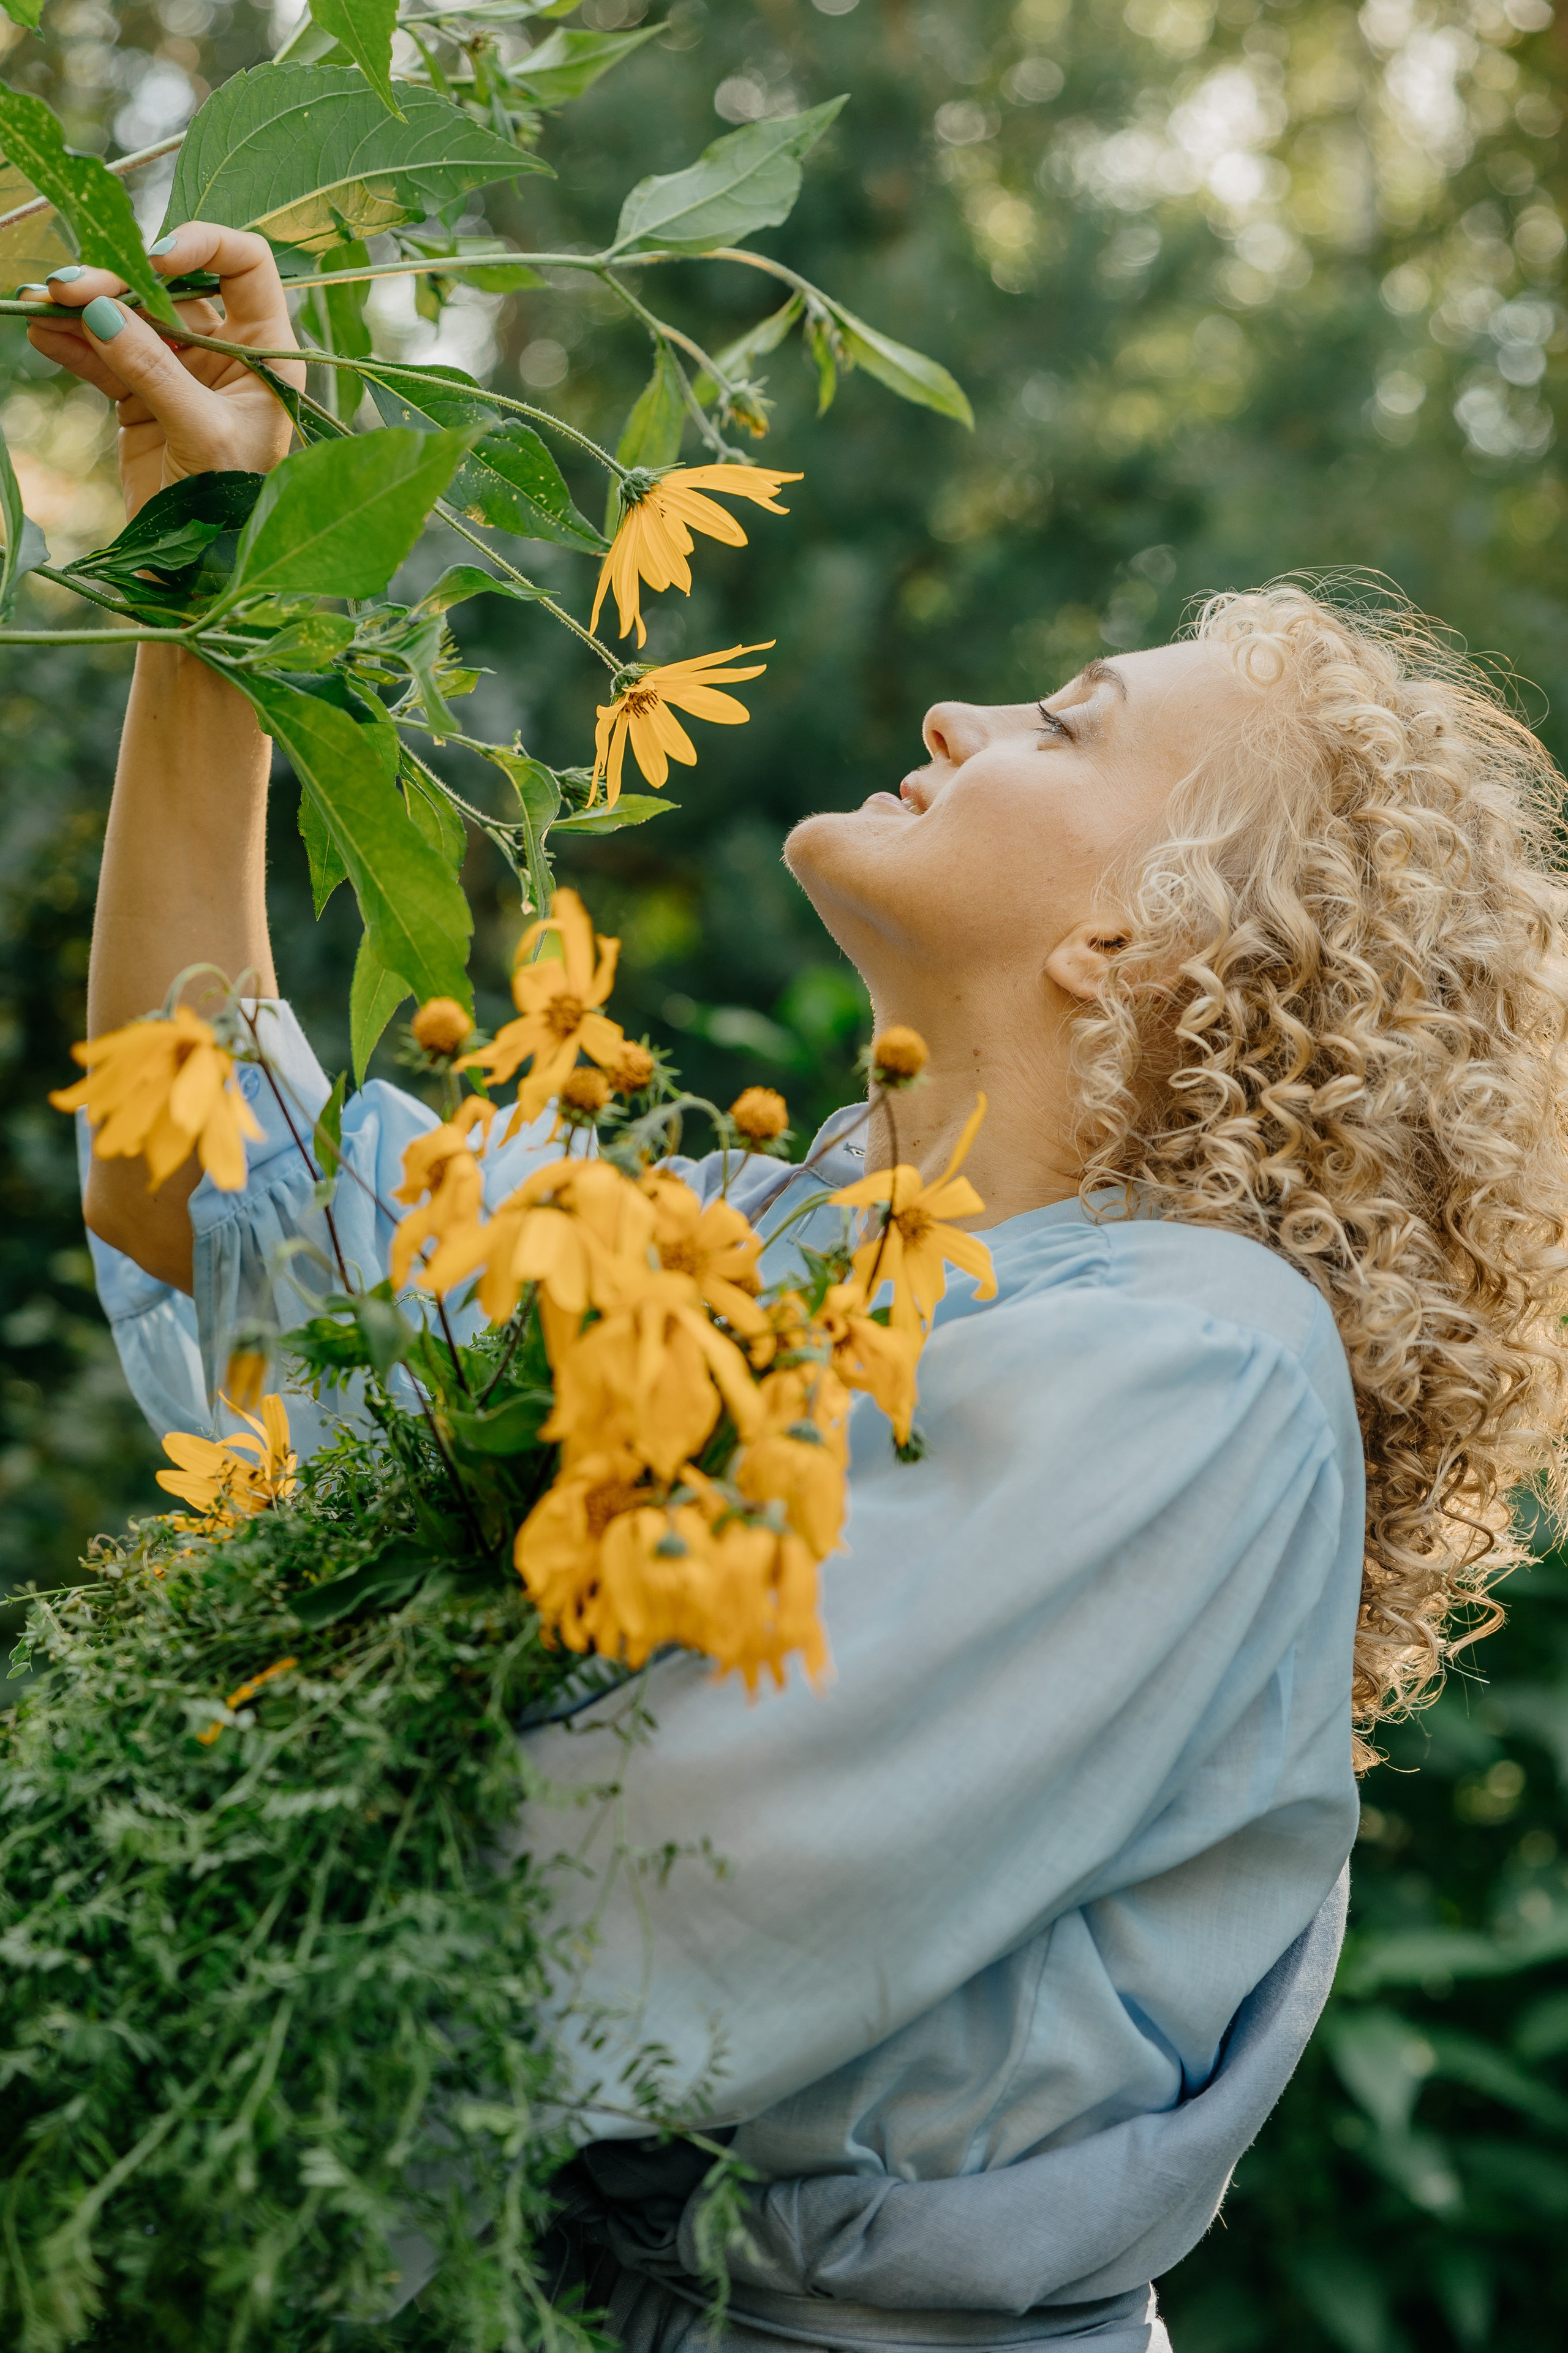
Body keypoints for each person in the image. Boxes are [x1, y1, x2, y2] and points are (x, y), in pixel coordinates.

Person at [39, 236, 1568, 2353]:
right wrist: (220, 561)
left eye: (1064, 718)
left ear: (1139, 939)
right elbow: (201, 1178)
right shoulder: (746, 1238)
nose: (959, 711)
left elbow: (607, 1895)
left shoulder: (1203, 1369)